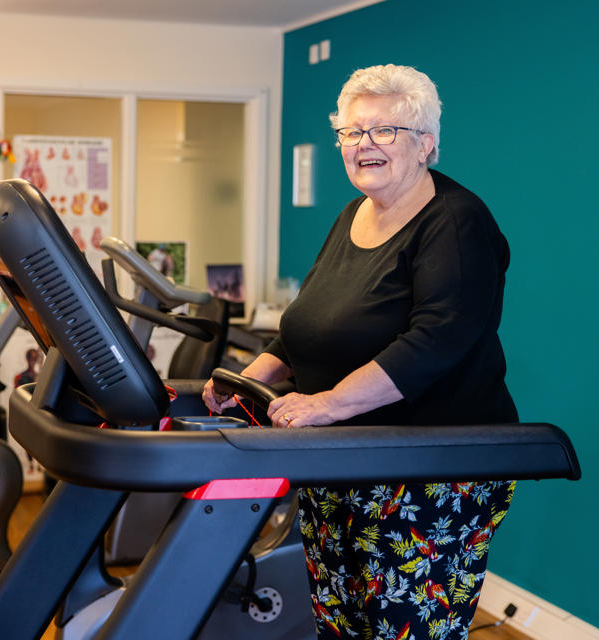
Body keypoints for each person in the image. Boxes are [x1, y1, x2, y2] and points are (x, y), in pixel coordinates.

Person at [203, 64, 517, 639]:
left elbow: (436, 340)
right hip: (344, 462)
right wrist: (248, 375)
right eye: (351, 132)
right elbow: (312, 324)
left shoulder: (455, 222)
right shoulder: (352, 215)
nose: (364, 145)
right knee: (341, 624)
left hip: (428, 476)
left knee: (404, 630)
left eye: (384, 131)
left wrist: (329, 403)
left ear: (425, 144)